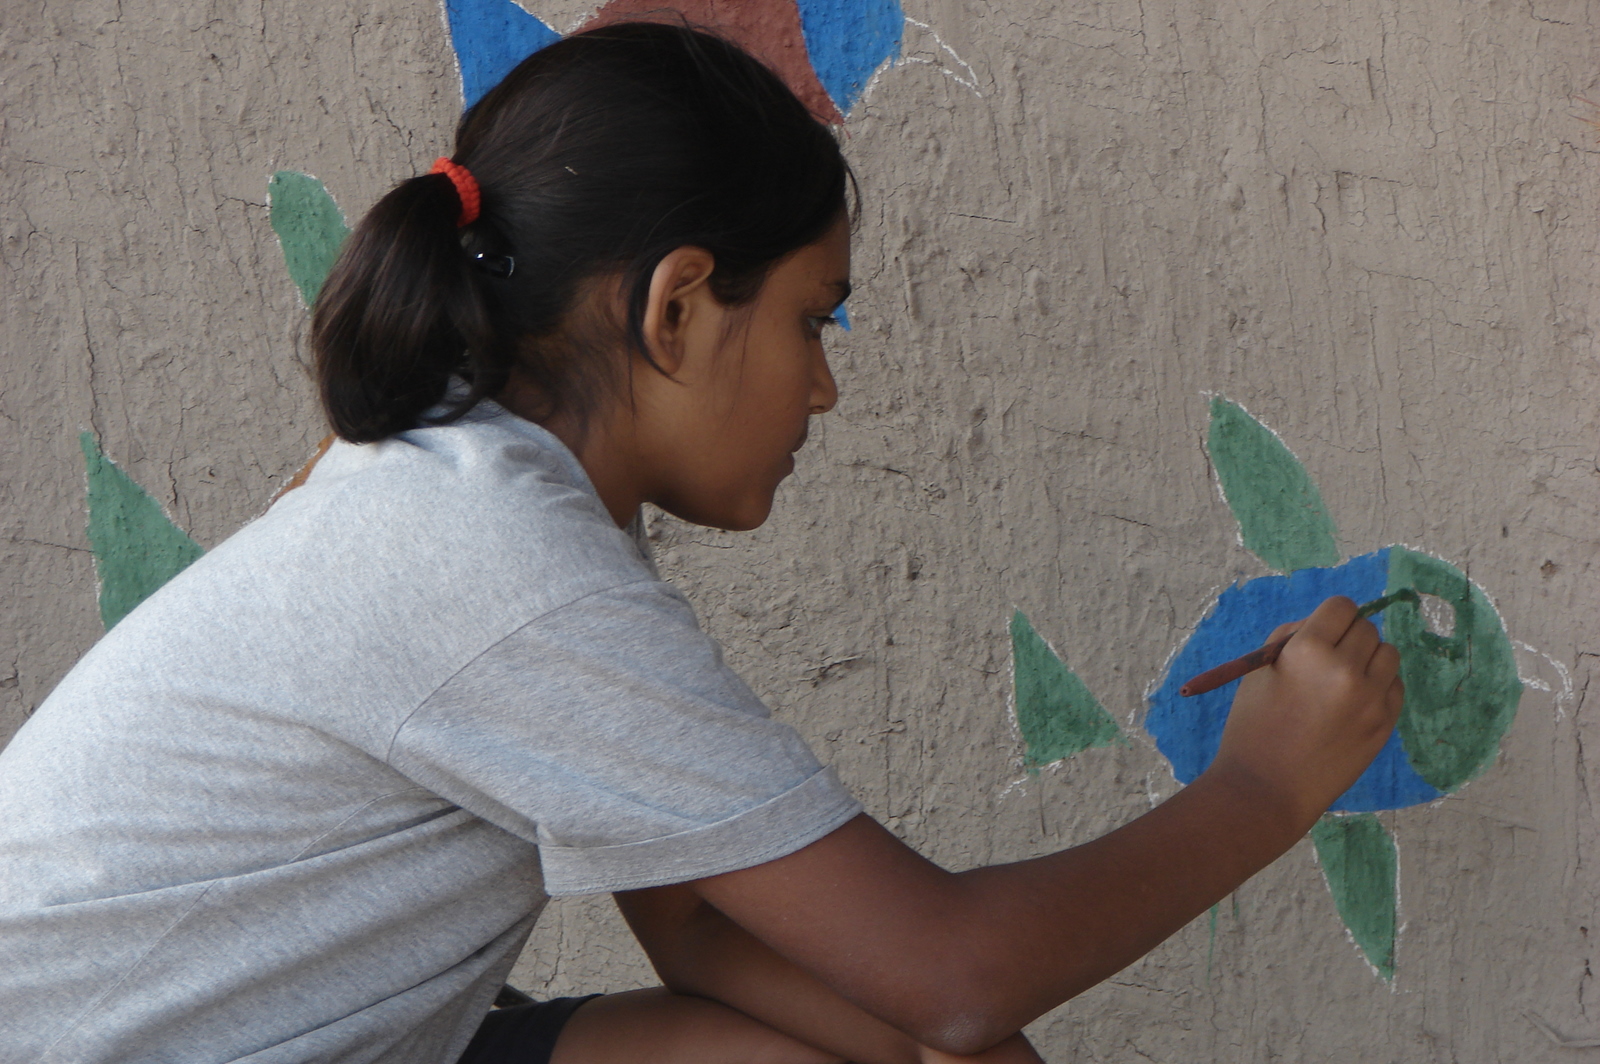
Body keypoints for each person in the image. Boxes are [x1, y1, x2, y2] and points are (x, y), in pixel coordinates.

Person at [0, 22, 1403, 1064]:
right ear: (675, 310)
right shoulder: (499, 560)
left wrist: (934, 1045)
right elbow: (958, 972)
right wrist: (1265, 786)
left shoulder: (470, 490)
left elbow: (702, 926)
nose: (824, 387)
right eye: (811, 319)